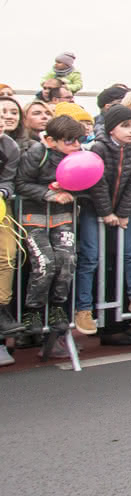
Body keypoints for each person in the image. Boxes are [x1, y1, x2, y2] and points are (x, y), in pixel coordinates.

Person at [74, 103, 131, 338]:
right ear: (111, 129)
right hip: (94, 207)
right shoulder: (98, 148)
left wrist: (121, 213)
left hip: (121, 208)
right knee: (90, 257)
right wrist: (105, 212)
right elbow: (96, 183)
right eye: (125, 126)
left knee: (129, 254)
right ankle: (84, 309)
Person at [16, 115, 88, 358]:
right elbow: (21, 184)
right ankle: (32, 311)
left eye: (79, 140)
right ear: (50, 140)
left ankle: (58, 309)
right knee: (45, 264)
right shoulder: (37, 153)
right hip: (33, 219)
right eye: (69, 141)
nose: (76, 145)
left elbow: (88, 182)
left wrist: (73, 190)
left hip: (63, 219)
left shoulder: (80, 156)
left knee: (67, 262)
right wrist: (49, 193)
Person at [0, 96, 23, 337]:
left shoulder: (10, 146)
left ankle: (1, 308)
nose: (5, 118)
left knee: (7, 256)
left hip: (1, 208)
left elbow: (8, 178)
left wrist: (3, 191)